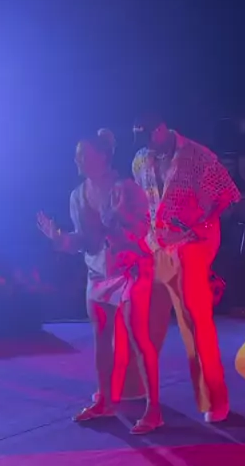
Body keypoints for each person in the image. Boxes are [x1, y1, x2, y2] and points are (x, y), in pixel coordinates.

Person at [37, 129, 162, 434]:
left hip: (131, 269)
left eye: (83, 154)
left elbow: (144, 230)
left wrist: (121, 222)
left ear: (103, 157)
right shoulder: (77, 195)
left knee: (138, 339)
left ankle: (154, 410)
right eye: (77, 155)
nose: (77, 160)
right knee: (102, 341)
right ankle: (105, 400)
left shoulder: (126, 188)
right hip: (98, 273)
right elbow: (83, 240)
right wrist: (60, 239)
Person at [132, 114, 241, 423]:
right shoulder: (140, 160)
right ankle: (136, 388)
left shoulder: (197, 156)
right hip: (157, 245)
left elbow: (228, 196)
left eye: (147, 135)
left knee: (195, 323)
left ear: (161, 128)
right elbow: (143, 203)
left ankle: (215, 399)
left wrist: (199, 225)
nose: (145, 145)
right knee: (142, 321)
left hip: (191, 245)